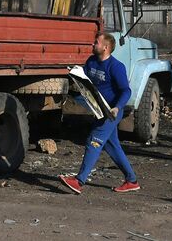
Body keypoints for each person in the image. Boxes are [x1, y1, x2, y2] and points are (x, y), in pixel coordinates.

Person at [59, 32, 140, 194]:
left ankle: (79, 181)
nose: (92, 45)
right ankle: (131, 180)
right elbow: (84, 78)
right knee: (112, 146)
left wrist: (117, 108)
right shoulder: (91, 61)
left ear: (106, 47)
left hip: (111, 112)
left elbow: (126, 91)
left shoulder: (116, 67)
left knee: (93, 141)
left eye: (96, 43)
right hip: (99, 110)